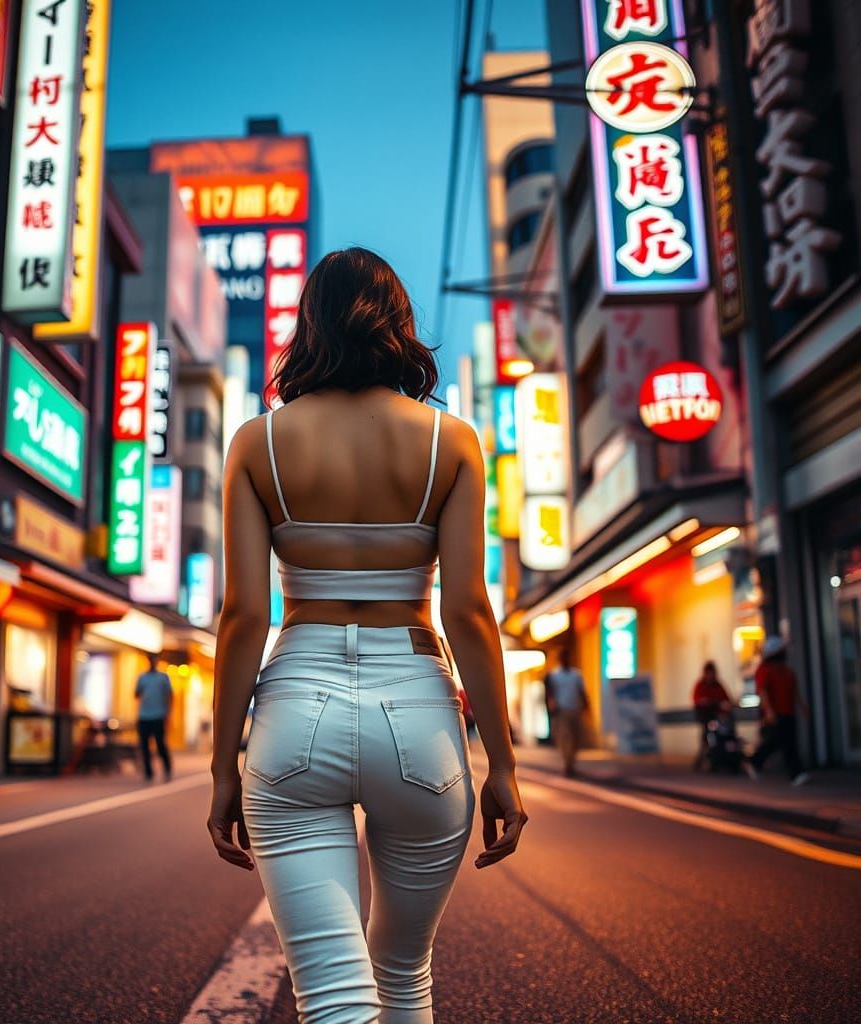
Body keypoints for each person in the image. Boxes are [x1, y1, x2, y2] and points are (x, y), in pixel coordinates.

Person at [208, 247, 527, 1024]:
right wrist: (504, 764)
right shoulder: (450, 443)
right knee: (404, 974)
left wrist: (224, 767)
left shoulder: (258, 443)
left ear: (308, 324)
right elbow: (468, 612)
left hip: (295, 711)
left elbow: (246, 615)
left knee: (334, 995)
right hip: (418, 712)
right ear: (399, 325)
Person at [748, 636, 810, 785]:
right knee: (780, 742)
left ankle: (755, 761)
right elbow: (763, 691)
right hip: (775, 714)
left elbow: (794, 691)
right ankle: (796, 773)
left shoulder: (787, 671)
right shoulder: (765, 670)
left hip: (788, 712)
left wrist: (802, 707)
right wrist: (769, 711)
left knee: (784, 742)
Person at [544, 649, 589, 777]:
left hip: (575, 708)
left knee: (576, 738)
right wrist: (552, 706)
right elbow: (550, 693)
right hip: (562, 709)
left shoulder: (576, 675)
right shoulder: (555, 675)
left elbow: (582, 691)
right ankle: (568, 764)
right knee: (565, 738)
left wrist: (586, 706)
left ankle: (571, 762)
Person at [135, 654, 173, 781]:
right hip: (144, 716)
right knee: (144, 745)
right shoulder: (142, 677)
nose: (153, 662)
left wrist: (168, 714)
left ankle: (167, 768)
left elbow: (170, 695)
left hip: (158, 715)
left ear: (157, 662)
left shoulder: (163, 677)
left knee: (160, 744)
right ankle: (148, 772)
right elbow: (136, 693)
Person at [691, 661, 732, 771]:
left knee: (725, 734)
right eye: (709, 673)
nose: (711, 675)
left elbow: (727, 700)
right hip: (706, 717)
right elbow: (699, 701)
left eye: (712, 673)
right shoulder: (700, 685)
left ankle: (725, 757)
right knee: (707, 736)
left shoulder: (718, 685)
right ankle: (704, 759)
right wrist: (716, 703)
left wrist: (727, 705)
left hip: (720, 718)